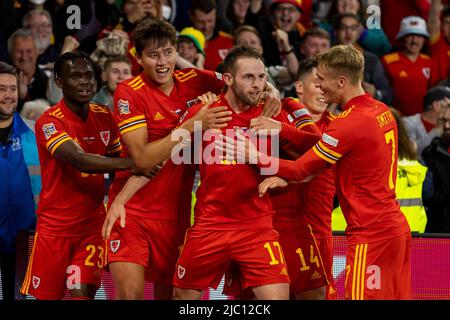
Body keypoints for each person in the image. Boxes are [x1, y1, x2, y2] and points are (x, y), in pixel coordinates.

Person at [245, 45, 411, 300]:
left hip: (371, 235)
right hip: (395, 230)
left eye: (322, 79)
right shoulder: (381, 111)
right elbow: (324, 159)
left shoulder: (348, 124)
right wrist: (284, 130)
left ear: (342, 81)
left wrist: (255, 157)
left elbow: (302, 168)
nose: (320, 86)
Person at [172, 46, 321, 300]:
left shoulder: (271, 111)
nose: (257, 85)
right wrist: (194, 122)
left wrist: (281, 134)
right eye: (249, 77)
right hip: (210, 225)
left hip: (256, 226)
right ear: (228, 79)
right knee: (182, 299)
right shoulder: (206, 111)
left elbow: (318, 150)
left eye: (262, 77)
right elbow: (173, 149)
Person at [20, 51, 134, 300]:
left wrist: (119, 203)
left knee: (81, 295)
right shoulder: (49, 121)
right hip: (54, 230)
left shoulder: (105, 116)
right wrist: (137, 163)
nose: (85, 82)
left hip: (91, 228)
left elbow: (117, 169)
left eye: (89, 76)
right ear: (59, 82)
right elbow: (81, 161)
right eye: (76, 76)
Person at [0, 62, 41, 301]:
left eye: (12, 89)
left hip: (25, 240)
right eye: (1, 89)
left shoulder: (34, 134)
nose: (8, 95)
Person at [382, 16, 432, 116]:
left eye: (418, 36)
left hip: (423, 118)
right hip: (396, 118)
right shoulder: (387, 61)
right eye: (410, 36)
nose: (414, 41)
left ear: (424, 40)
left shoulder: (429, 62)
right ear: (403, 38)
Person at [422, 106, 450, 233]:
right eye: (443, 121)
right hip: (439, 228)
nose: (447, 125)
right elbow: (431, 195)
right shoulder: (430, 153)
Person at [403, 86, 450, 158]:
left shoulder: (446, 126)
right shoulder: (408, 124)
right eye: (449, 105)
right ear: (437, 106)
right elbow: (414, 154)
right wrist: (437, 129)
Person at [189, 0, 234, 71]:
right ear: (191, 16)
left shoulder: (230, 41)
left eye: (210, 21)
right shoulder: (181, 42)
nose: (206, 26)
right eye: (200, 22)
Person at [428, 1, 450, 85]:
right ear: (441, 25)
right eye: (447, 23)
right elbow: (433, 18)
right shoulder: (438, 43)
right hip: (437, 95)